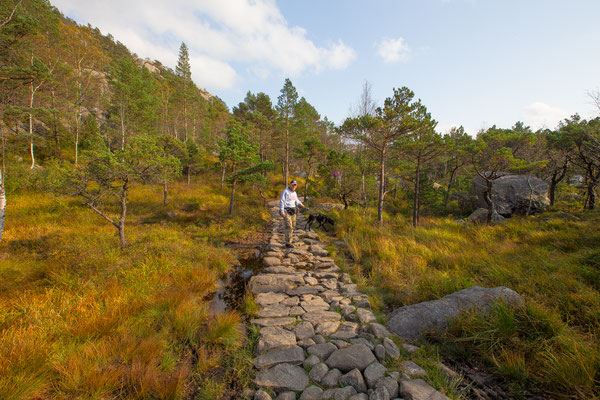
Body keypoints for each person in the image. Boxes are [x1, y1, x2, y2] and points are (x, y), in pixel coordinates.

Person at [279, 180, 305, 248]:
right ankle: (288, 243)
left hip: (293, 212)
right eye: (293, 184)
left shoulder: (294, 193)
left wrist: (301, 204)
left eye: (295, 185)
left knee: (293, 226)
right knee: (289, 226)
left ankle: (290, 239)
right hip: (286, 211)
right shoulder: (285, 192)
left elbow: (296, 200)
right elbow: (282, 202)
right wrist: (282, 212)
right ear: (290, 185)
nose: (294, 186)